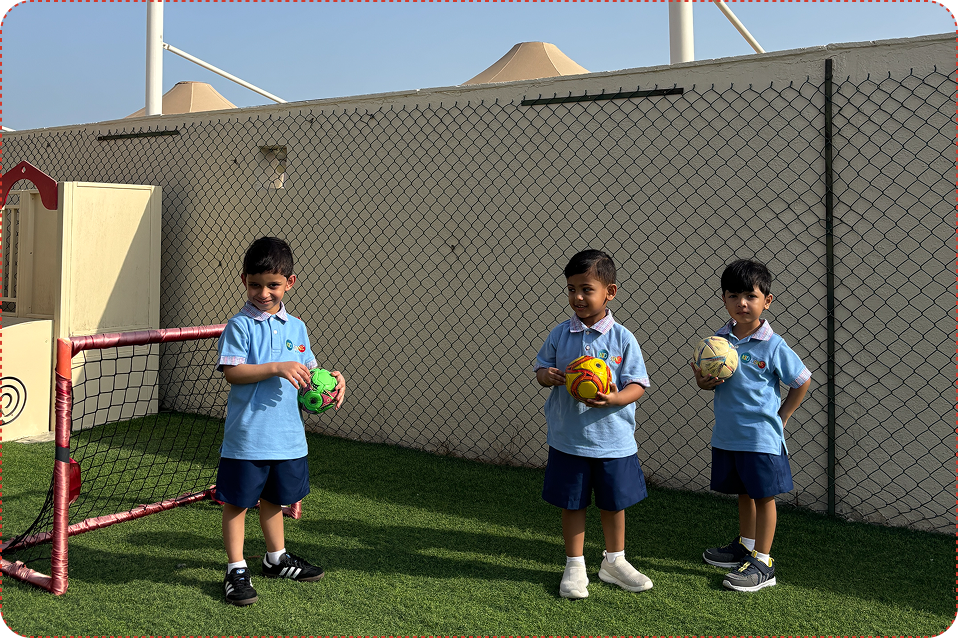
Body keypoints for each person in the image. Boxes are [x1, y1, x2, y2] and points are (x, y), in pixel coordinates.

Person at [215, 236, 346, 606]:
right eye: (255, 285)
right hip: (247, 438)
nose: (263, 293)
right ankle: (236, 569)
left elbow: (309, 372)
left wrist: (333, 380)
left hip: (287, 437)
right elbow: (232, 373)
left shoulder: (297, 327)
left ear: (289, 282)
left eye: (272, 285)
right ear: (244, 281)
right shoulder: (239, 326)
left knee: (274, 499)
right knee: (237, 504)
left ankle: (276, 559)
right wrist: (275, 367)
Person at [534, 249, 653, 599]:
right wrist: (548, 375)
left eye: (587, 289)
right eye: (572, 289)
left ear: (609, 292)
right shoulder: (560, 334)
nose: (578, 297)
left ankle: (615, 562)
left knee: (613, 504)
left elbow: (638, 385)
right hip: (568, 439)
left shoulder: (623, 338)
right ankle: (574, 565)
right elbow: (540, 369)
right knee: (572, 503)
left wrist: (615, 398)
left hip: (613, 441)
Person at [691, 259, 811, 593]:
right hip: (728, 435)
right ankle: (746, 545)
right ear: (724, 299)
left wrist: (783, 416)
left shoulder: (773, 345)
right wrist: (703, 382)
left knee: (763, 497)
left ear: (766, 301)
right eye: (733, 296)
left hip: (760, 438)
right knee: (743, 492)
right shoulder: (717, 341)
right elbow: (710, 383)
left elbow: (802, 380)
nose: (741, 303)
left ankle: (764, 562)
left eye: (750, 296)